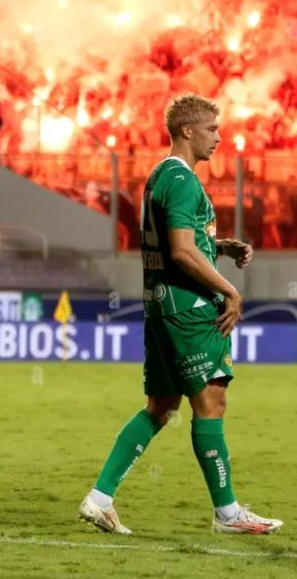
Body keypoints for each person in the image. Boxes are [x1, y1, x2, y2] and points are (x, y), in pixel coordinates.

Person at [78, 94, 282, 535]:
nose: (219, 137)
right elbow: (182, 250)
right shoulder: (184, 180)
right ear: (187, 131)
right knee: (211, 403)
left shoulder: (158, 176)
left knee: (161, 405)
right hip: (188, 310)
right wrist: (229, 289)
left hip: (160, 305)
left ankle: (99, 497)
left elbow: (180, 242)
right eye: (212, 129)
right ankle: (228, 514)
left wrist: (221, 245)